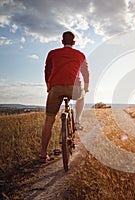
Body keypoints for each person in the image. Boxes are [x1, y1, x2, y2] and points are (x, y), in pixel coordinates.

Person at [40, 31, 89, 163]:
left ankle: (43, 154)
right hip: (75, 89)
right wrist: (86, 88)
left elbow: (47, 71)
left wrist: (48, 86)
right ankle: (77, 120)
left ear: (62, 41)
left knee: (49, 121)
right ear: (74, 42)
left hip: (56, 88)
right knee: (82, 95)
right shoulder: (80, 55)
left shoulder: (52, 53)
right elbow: (85, 73)